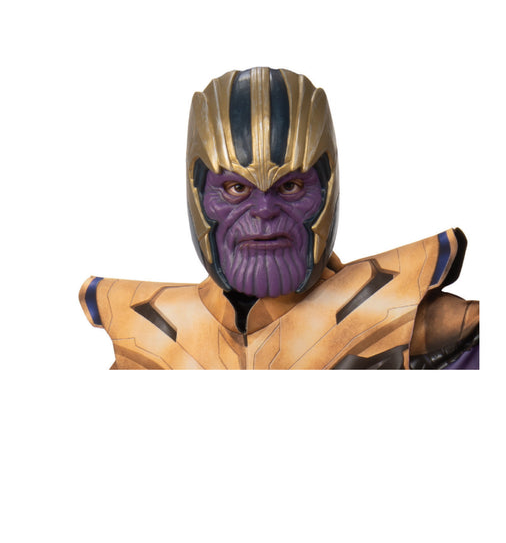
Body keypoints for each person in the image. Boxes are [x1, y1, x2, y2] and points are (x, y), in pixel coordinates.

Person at [79, 67, 479, 369]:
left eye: (290, 186)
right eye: (236, 189)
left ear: (327, 187)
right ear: (198, 194)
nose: (265, 210)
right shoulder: (149, 335)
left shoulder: (413, 320)